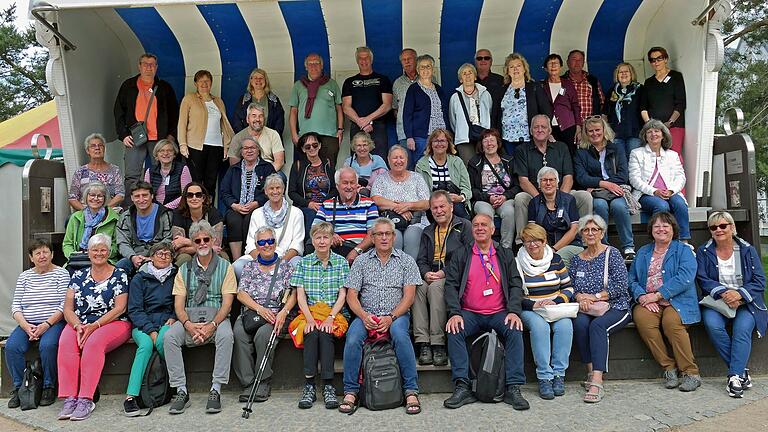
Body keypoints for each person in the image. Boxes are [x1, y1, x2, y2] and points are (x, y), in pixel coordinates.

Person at [442, 213, 529, 411]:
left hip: (499, 312)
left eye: (484, 225)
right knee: (454, 329)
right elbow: (451, 286)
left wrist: (514, 311)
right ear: (471, 230)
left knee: (515, 329)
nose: (479, 228)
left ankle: (513, 387)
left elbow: (516, 284)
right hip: (470, 312)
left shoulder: (505, 253)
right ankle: (462, 386)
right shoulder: (462, 254)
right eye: (475, 225)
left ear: (493, 229)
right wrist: (454, 313)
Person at [338, 218, 422, 415]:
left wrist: (391, 317)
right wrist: (364, 315)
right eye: (379, 234)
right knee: (352, 339)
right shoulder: (361, 261)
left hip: (396, 315)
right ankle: (351, 391)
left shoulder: (406, 261)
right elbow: (351, 296)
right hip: (365, 314)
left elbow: (409, 297)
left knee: (401, 336)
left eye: (388, 234)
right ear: (372, 238)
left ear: (394, 237)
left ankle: (411, 390)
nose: (384, 238)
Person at [163, 221, 236, 414]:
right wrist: (188, 324)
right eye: (198, 240)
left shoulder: (226, 267)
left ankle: (216, 389)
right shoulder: (183, 269)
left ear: (212, 241)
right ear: (193, 244)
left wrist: (212, 324)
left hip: (216, 316)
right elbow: (179, 304)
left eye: (206, 239)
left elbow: (227, 303)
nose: (202, 243)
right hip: (190, 317)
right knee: (169, 337)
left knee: (227, 336)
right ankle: (181, 390)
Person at [57, 233, 131, 421]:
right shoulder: (78, 275)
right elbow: (67, 308)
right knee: (66, 341)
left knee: (93, 343)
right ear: (88, 252)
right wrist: (78, 325)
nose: (99, 253)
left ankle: (85, 399)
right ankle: (70, 398)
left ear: (109, 251)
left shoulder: (119, 274)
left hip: (113, 322)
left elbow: (120, 308)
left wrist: (95, 325)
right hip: (80, 321)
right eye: (95, 250)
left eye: (103, 249)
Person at [697, 211, 767, 398]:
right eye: (714, 227)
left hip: (746, 302)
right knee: (713, 326)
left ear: (731, 227)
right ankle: (740, 372)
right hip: (717, 302)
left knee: (742, 329)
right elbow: (703, 279)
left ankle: (734, 376)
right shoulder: (704, 251)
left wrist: (739, 294)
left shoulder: (747, 250)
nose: (718, 230)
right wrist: (724, 293)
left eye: (723, 226)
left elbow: (760, 281)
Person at [628, 212, 701, 392]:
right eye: (657, 226)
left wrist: (658, 295)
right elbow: (631, 279)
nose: (661, 229)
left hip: (677, 300)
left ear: (673, 229)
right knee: (643, 320)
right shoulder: (643, 251)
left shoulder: (683, 250)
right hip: (648, 300)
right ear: (651, 230)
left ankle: (690, 372)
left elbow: (685, 277)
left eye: (665, 226)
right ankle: (669, 368)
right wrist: (642, 296)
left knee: (672, 323)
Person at [568, 215, 631, 403]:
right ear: (581, 235)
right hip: (587, 308)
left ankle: (597, 379)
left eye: (594, 229)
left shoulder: (612, 254)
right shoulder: (576, 259)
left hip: (615, 305)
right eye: (586, 230)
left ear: (602, 233)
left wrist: (594, 297)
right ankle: (589, 372)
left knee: (598, 326)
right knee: (579, 324)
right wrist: (580, 297)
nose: (590, 233)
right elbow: (571, 286)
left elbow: (621, 285)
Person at [233, 226, 296, 403]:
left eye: (270, 241)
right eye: (262, 242)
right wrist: (259, 309)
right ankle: (248, 382)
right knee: (238, 333)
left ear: (275, 244)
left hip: (276, 315)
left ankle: (262, 381)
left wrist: (284, 312)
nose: (266, 245)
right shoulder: (250, 267)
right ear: (256, 245)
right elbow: (241, 293)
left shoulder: (286, 267)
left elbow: (294, 293)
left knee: (263, 335)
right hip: (252, 313)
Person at [292, 222, 349, 409]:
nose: (322, 241)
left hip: (335, 313)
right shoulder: (303, 262)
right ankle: (309, 385)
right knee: (311, 332)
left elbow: (343, 294)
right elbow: (300, 295)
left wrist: (330, 317)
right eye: (318, 237)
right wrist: (309, 319)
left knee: (325, 332)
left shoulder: (341, 262)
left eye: (326, 237)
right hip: (309, 312)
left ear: (332, 240)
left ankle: (328, 385)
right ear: (312, 240)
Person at [6, 239, 68, 409]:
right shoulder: (25, 276)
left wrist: (47, 324)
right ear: (31, 257)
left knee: (48, 346)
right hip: (28, 323)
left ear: (52, 254)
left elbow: (65, 305)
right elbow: (16, 305)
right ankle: (20, 388)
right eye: (37, 253)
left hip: (53, 322)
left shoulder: (61, 274)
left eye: (45, 252)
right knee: (12, 347)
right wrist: (25, 325)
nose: (42, 256)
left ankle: (49, 386)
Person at [414, 190, 473, 366]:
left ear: (451, 207)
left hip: (453, 275)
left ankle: (438, 343)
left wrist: (444, 273)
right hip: (431, 274)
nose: (439, 211)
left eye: (442, 206)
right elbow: (421, 260)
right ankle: (423, 342)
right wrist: (425, 273)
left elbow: (468, 257)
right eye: (434, 208)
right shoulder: (428, 231)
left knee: (436, 287)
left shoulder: (464, 226)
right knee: (418, 287)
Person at [517, 223, 574, 399]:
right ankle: (544, 376)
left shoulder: (555, 259)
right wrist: (533, 305)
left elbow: (569, 287)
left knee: (565, 326)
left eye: (536, 241)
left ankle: (558, 374)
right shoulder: (517, 262)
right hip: (530, 309)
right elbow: (514, 294)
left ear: (544, 241)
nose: (532, 245)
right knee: (540, 327)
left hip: (555, 307)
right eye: (528, 241)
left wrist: (556, 300)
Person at [514, 114, 592, 243]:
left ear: (550, 130)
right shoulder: (522, 150)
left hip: (561, 192)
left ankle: (584, 241)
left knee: (585, 196)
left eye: (543, 127)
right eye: (536, 127)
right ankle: (523, 242)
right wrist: (541, 200)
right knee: (520, 198)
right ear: (530, 130)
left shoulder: (561, 148)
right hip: (535, 194)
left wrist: (560, 198)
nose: (540, 130)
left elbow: (568, 177)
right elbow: (523, 180)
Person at [114, 53, 178, 207]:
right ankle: (130, 210)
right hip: (134, 137)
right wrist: (123, 135)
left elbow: (175, 113)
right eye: (145, 64)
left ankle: (158, 207)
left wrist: (170, 135)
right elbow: (118, 111)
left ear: (156, 67)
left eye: (152, 65)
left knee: (161, 174)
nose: (148, 68)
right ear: (139, 66)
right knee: (132, 176)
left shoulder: (164, 87)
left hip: (159, 138)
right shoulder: (128, 85)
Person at [122, 242, 177, 416]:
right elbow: (135, 309)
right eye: (160, 253)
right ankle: (131, 397)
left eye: (168, 254)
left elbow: (182, 300)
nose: (164, 257)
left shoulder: (177, 276)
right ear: (151, 256)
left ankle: (173, 386)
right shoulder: (140, 278)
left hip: (167, 322)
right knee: (145, 345)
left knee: (163, 341)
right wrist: (150, 330)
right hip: (142, 324)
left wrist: (174, 316)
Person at [573, 116, 635, 259]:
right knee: (600, 206)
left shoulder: (616, 148)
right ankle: (603, 247)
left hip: (615, 190)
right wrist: (604, 184)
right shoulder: (581, 152)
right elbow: (581, 178)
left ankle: (628, 247)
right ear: (586, 133)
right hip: (598, 193)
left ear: (604, 130)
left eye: (597, 130)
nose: (594, 134)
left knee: (619, 206)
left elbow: (623, 175)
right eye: (590, 131)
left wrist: (600, 185)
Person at [629, 119, 690, 242]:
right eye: (649, 132)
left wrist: (672, 191)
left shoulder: (672, 154)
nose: (653, 134)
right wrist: (655, 191)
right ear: (645, 136)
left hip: (670, 192)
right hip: (646, 194)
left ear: (663, 135)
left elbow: (680, 177)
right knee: (661, 205)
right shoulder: (636, 153)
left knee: (680, 204)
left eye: (657, 131)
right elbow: (634, 179)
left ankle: (683, 241)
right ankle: (659, 241)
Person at [233, 174, 304, 279]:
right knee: (237, 266)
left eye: (278, 188)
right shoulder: (257, 213)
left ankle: (289, 294)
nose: (275, 191)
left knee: (298, 263)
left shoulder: (296, 212)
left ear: (283, 190)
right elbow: (251, 244)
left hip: (285, 258)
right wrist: (264, 262)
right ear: (266, 191)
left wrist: (280, 263)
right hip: (260, 257)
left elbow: (297, 245)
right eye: (271, 188)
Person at [177, 70, 234, 195]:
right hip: (195, 146)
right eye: (201, 81)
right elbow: (182, 123)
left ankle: (208, 211)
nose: (204, 83)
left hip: (216, 146)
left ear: (211, 83)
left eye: (207, 80)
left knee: (211, 182)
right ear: (195, 83)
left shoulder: (218, 101)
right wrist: (182, 144)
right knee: (196, 181)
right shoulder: (189, 99)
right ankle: (196, 210)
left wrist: (226, 146)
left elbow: (224, 125)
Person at [371, 145, 430, 259]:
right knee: (393, 237)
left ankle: (410, 272)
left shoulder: (417, 178)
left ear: (407, 160)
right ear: (388, 160)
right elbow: (376, 200)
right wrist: (399, 208)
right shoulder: (381, 179)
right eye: (394, 158)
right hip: (390, 221)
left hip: (415, 221)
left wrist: (409, 206)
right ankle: (394, 272)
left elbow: (427, 203)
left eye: (401, 158)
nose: (398, 161)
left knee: (412, 236)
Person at [221, 137, 276, 260]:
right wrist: (235, 205)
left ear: (258, 150)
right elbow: (224, 192)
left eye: (252, 148)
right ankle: (236, 260)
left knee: (250, 219)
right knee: (233, 219)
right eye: (246, 148)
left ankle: (250, 256)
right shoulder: (233, 169)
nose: (249, 151)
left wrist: (256, 203)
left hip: (258, 207)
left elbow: (271, 190)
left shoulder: (267, 168)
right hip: (236, 207)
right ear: (241, 152)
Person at [312, 167, 379, 262]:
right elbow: (314, 229)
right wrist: (330, 235)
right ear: (337, 185)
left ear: (357, 185)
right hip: (334, 253)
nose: (349, 187)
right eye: (345, 183)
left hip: (361, 254)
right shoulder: (327, 205)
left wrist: (356, 251)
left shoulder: (369, 204)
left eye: (352, 183)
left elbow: (372, 234)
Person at [467, 129, 519, 249]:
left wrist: (505, 196)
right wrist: (488, 197)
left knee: (509, 212)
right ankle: (487, 248)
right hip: (483, 199)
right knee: (485, 215)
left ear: (498, 143)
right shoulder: (475, 162)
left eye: (492, 140)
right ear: (481, 144)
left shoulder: (509, 161)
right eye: (486, 140)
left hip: (505, 198)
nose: (489, 143)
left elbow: (517, 186)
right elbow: (471, 189)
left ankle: (506, 249)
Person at [289, 53, 343, 164]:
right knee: (306, 170)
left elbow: (339, 108)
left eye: (317, 63)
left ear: (322, 66)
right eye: (310, 63)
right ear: (306, 67)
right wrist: (294, 134)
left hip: (329, 136)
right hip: (306, 135)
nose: (314, 66)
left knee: (329, 169)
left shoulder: (332, 84)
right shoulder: (298, 85)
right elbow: (293, 112)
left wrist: (340, 130)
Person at [494, 53, 551, 156]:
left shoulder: (534, 87)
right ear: (507, 71)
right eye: (511, 67)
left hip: (530, 138)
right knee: (512, 168)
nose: (515, 69)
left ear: (524, 69)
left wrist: (545, 131)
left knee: (530, 169)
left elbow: (546, 110)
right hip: (507, 139)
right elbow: (496, 115)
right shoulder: (501, 90)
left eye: (518, 66)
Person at [342, 46, 393, 160]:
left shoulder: (383, 79)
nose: (364, 61)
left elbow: (387, 105)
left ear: (371, 59)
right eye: (361, 58)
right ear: (357, 61)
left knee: (379, 160)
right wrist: (361, 123)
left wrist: (368, 119)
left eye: (366, 58)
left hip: (378, 127)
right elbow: (346, 107)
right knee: (357, 161)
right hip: (357, 126)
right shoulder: (349, 82)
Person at [527, 167, 585, 267]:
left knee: (559, 257)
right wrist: (544, 248)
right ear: (539, 184)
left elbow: (574, 230)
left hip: (571, 244)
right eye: (544, 180)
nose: (548, 183)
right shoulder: (534, 203)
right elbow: (532, 231)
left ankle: (563, 282)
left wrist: (553, 249)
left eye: (551, 180)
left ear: (557, 183)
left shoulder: (569, 200)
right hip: (544, 246)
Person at [115, 182, 173, 277]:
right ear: (132, 198)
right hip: (135, 255)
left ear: (152, 196)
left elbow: (168, 239)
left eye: (145, 195)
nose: (141, 200)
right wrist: (133, 257)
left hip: (159, 255)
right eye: (137, 196)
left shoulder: (164, 214)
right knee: (119, 269)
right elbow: (122, 242)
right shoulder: (125, 217)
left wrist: (153, 257)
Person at [403, 54, 450, 168]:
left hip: (441, 136)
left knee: (440, 165)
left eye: (428, 66)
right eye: (422, 67)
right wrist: (409, 136)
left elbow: (445, 112)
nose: (425, 70)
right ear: (418, 70)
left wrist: (449, 133)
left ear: (432, 69)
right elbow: (407, 114)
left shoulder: (439, 89)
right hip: (422, 137)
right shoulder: (413, 89)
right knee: (421, 166)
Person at [414, 128, 472, 219]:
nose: (439, 144)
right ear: (431, 144)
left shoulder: (457, 162)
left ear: (448, 143)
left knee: (462, 217)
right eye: (436, 141)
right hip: (432, 205)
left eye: (442, 141)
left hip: (454, 203)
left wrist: (460, 197)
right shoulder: (421, 164)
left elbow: (467, 188)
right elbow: (420, 192)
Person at [63, 182, 120, 272]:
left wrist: (99, 254)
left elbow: (116, 246)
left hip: (103, 260)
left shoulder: (114, 219)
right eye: (92, 195)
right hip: (78, 260)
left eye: (100, 196)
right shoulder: (75, 217)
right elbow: (67, 244)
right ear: (86, 197)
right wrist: (73, 255)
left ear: (105, 199)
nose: (95, 199)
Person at [640, 47, 686, 159]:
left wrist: (669, 123)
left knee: (674, 156)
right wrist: (651, 125)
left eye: (659, 59)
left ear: (665, 59)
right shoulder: (649, 82)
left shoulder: (676, 76)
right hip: (654, 129)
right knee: (656, 157)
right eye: (652, 60)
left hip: (674, 125)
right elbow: (643, 107)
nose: (656, 62)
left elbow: (681, 103)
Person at [288, 132, 336, 238]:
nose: (312, 148)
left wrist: (323, 203)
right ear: (303, 149)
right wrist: (308, 203)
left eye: (314, 145)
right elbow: (291, 192)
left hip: (326, 204)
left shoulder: (328, 163)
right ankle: (310, 246)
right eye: (307, 146)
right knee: (311, 214)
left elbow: (334, 189)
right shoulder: (298, 165)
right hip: (305, 206)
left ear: (319, 145)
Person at [171, 182, 225, 265]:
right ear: (185, 199)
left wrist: (186, 241)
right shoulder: (178, 214)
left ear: (203, 198)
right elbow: (178, 247)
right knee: (184, 258)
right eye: (190, 195)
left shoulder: (214, 214)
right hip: (187, 254)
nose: (194, 198)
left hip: (210, 253)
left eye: (198, 195)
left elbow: (216, 245)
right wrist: (205, 246)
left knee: (221, 256)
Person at [448, 63, 493, 163]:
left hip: (484, 136)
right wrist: (462, 130)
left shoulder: (485, 94)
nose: (468, 76)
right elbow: (453, 120)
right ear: (460, 79)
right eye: (464, 73)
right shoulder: (455, 97)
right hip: (464, 138)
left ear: (475, 76)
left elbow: (489, 112)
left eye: (470, 72)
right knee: (470, 166)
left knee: (485, 165)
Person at [68, 133, 124, 210]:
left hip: (109, 211)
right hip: (85, 212)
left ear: (104, 149)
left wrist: (104, 210)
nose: (97, 148)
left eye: (100, 145)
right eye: (93, 146)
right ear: (87, 150)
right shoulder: (80, 172)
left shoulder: (114, 170)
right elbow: (72, 198)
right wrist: (87, 212)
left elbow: (120, 195)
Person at [541, 54, 582, 152]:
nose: (554, 65)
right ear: (546, 68)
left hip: (568, 126)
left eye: (556, 63)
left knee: (570, 153)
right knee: (551, 154)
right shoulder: (541, 85)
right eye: (550, 63)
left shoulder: (567, 84)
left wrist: (578, 126)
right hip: (548, 128)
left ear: (561, 67)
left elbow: (575, 105)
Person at [228, 103, 286, 173]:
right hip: (246, 172)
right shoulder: (238, 137)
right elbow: (234, 165)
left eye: (260, 116)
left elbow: (279, 162)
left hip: (268, 171)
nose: (257, 119)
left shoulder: (273, 134)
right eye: (254, 116)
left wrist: (265, 174)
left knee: (280, 177)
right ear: (247, 119)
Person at [605, 63, 643, 162]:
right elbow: (604, 113)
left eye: (626, 71)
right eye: (620, 72)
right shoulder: (611, 91)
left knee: (634, 161)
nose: (623, 74)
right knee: (620, 162)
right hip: (616, 133)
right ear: (617, 75)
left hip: (635, 132)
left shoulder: (640, 89)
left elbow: (644, 110)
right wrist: (607, 131)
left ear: (632, 74)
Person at [233, 67, 285, 135]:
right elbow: (237, 122)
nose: (258, 80)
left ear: (265, 81)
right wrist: (246, 138)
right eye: (255, 78)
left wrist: (272, 137)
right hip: (248, 140)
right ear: (251, 81)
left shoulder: (274, 100)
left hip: (269, 140)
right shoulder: (243, 100)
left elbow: (279, 122)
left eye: (261, 78)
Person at [143, 139, 192, 210]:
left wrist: (165, 208)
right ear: (156, 155)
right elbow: (146, 194)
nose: (165, 153)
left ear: (174, 154)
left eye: (169, 150)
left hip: (176, 210)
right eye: (162, 151)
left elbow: (186, 194)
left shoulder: (183, 169)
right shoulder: (150, 171)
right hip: (154, 209)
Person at [563, 50, 604, 121]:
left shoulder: (592, 80)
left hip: (590, 125)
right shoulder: (562, 81)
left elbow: (602, 102)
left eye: (580, 60)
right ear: (567, 62)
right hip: (569, 125)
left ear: (583, 63)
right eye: (574, 59)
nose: (577, 62)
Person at [393, 48, 419, 146]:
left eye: (410, 59)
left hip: (425, 133)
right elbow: (395, 108)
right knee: (406, 161)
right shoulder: (397, 83)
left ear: (416, 60)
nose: (407, 62)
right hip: (404, 133)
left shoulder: (429, 79)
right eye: (404, 60)